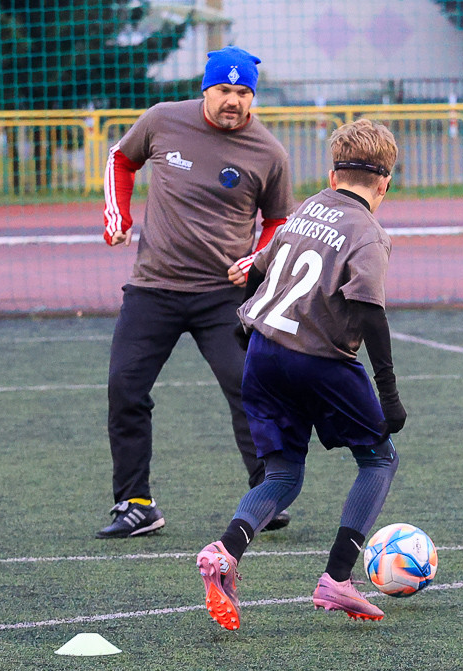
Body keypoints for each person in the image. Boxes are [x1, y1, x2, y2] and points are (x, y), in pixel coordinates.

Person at [195, 119, 407, 630]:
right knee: (379, 458)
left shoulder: (308, 209)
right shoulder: (369, 234)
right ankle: (336, 578)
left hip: (263, 352)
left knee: (284, 475)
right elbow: (370, 313)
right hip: (319, 359)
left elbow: (258, 268)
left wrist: (249, 317)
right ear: (386, 183)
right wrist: (389, 393)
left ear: (332, 174)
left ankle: (225, 553)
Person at [95, 46, 297, 539]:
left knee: (249, 390)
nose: (233, 100)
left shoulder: (269, 152)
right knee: (125, 388)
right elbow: (120, 160)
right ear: (205, 89)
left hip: (222, 297)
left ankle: (265, 495)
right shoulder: (163, 120)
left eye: (243, 92)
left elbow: (278, 223)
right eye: (224, 90)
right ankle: (135, 504)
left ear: (253, 96)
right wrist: (117, 215)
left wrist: (256, 260)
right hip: (152, 289)